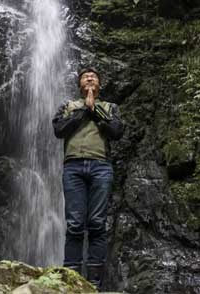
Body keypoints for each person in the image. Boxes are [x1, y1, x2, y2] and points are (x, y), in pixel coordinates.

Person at [52, 67, 124, 290]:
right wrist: (85, 109)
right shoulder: (68, 106)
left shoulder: (110, 107)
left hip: (101, 166)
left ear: (99, 85)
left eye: (94, 76)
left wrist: (95, 110)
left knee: (97, 224)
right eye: (85, 76)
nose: (90, 77)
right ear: (79, 84)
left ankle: (93, 285)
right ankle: (69, 280)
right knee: (74, 224)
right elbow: (59, 129)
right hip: (72, 167)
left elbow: (117, 131)